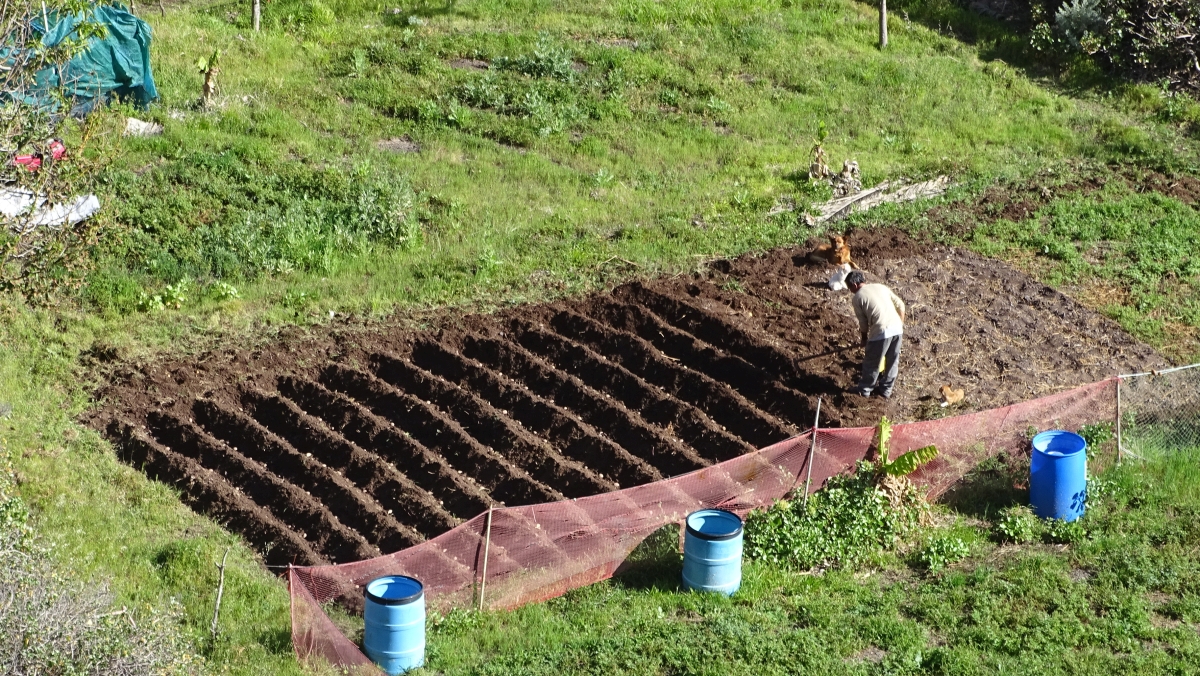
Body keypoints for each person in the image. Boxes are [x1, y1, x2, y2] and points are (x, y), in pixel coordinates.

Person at [845, 271, 905, 398]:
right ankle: (886, 390)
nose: (850, 291)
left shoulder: (858, 297)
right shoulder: (881, 287)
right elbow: (901, 305)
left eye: (850, 288)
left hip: (881, 332)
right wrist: (900, 324)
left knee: (872, 362)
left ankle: (864, 390)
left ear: (855, 285)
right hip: (897, 329)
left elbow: (863, 323)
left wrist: (864, 338)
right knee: (892, 361)